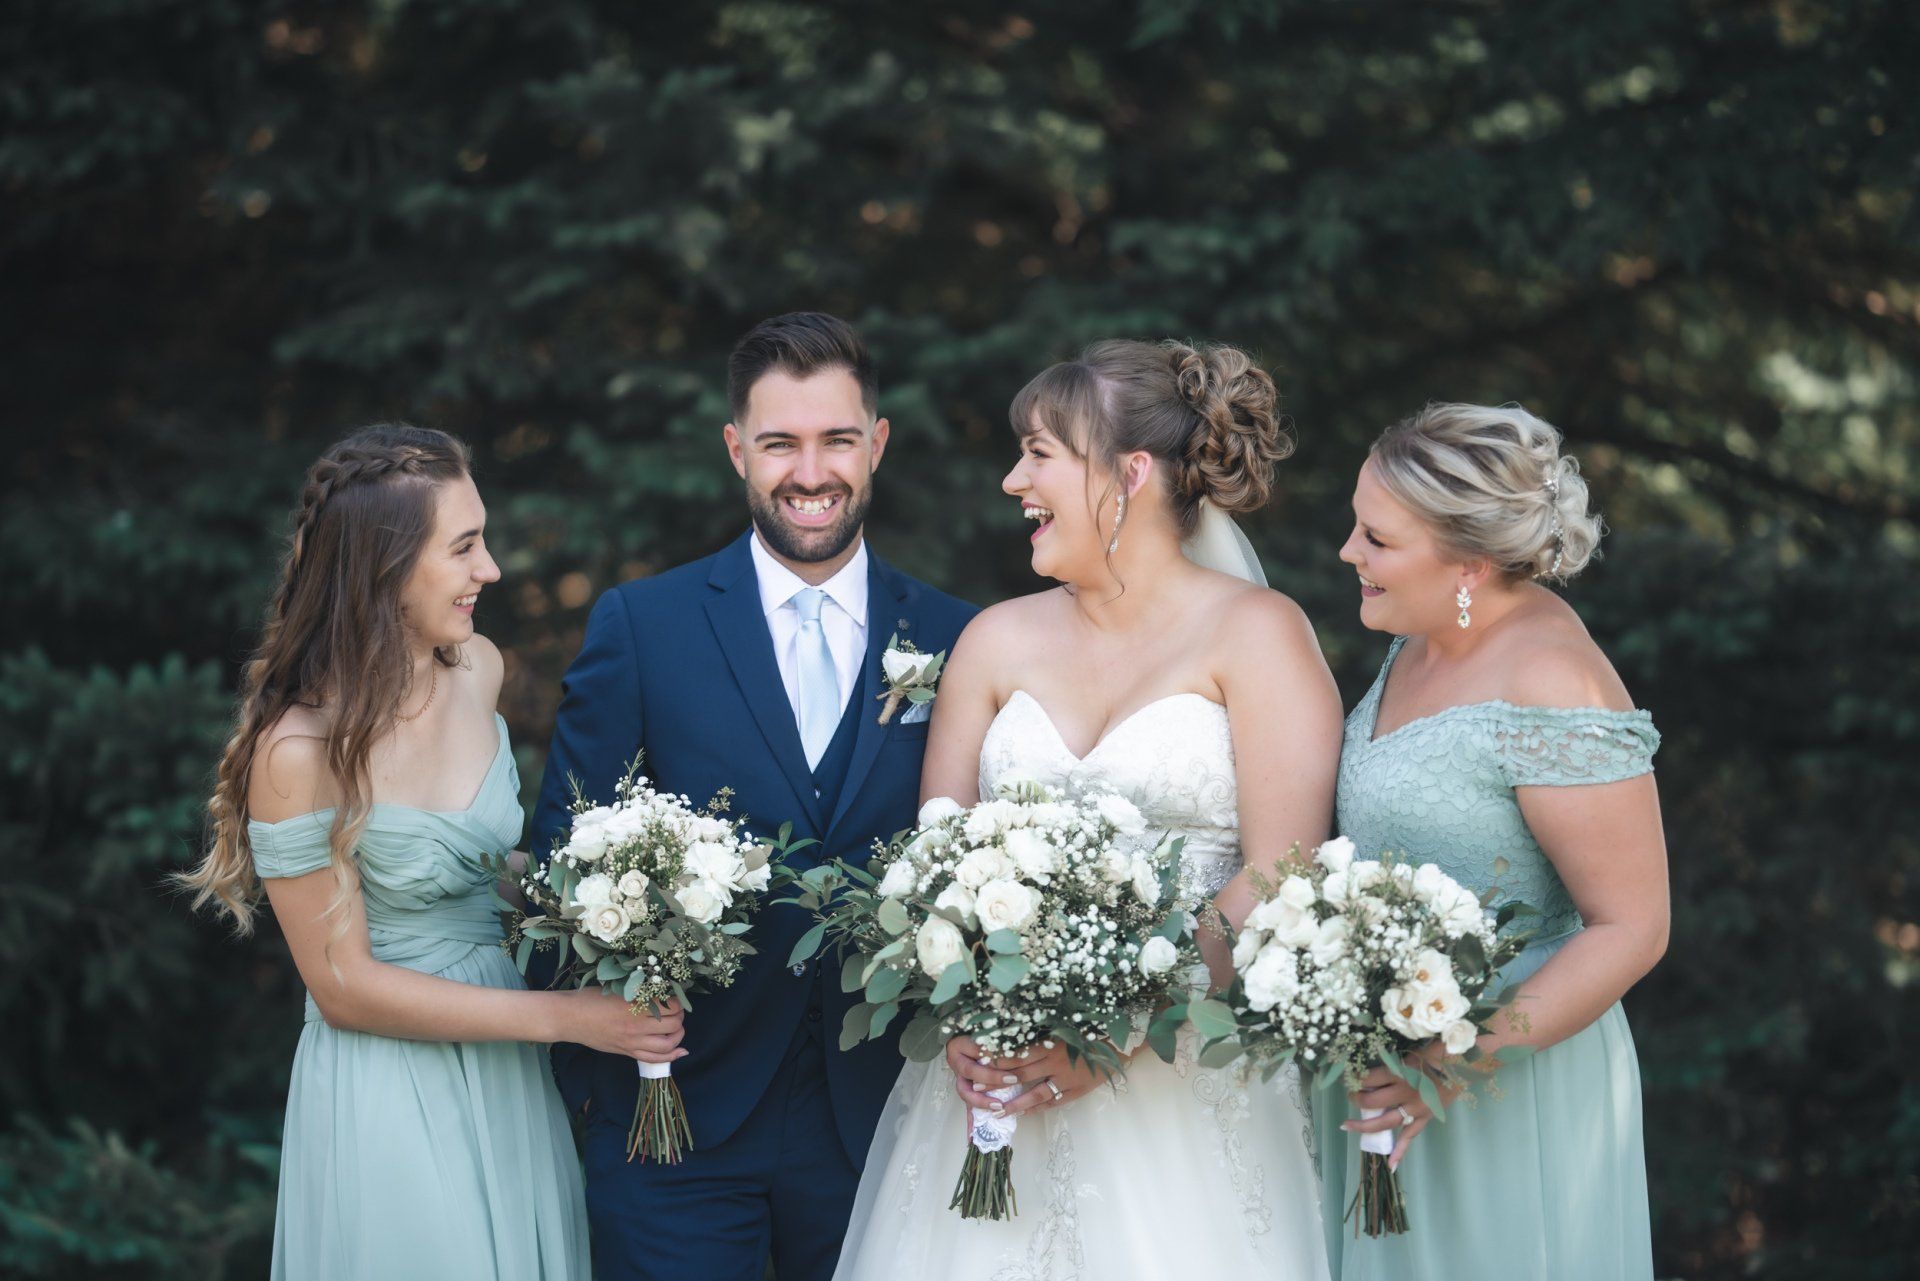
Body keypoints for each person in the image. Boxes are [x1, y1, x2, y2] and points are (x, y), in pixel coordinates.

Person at [834, 340, 1339, 1279]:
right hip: (991, 1083)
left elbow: (1280, 874)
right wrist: (967, 1009)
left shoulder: (1258, 634)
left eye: (1038, 452)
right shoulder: (994, 639)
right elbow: (935, 864)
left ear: (1129, 474)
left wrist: (1119, 1033)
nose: (1011, 479)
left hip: (1181, 1089)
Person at [532, 313, 976, 1281]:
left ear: (878, 444)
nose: (809, 472)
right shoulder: (643, 626)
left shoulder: (961, 636)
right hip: (674, 1117)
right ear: (738, 450)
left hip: (888, 1115)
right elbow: (561, 857)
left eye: (836, 440)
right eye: (780, 443)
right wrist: (596, 1082)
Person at [179, 424, 669, 1280]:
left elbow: (478, 873)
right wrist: (574, 1019)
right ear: (384, 565)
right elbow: (343, 986)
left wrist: (617, 897)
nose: (493, 570)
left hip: (509, 1074)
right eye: (466, 546)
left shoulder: (477, 667)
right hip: (390, 1083)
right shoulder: (298, 753)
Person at [1321, 402, 1668, 1281]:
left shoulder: (1552, 678)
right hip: (1387, 1061)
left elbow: (1633, 926)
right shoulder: (1421, 636)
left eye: (1377, 538)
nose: (1348, 553)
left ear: (1469, 562)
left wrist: (1452, 1059)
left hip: (1506, 1074)